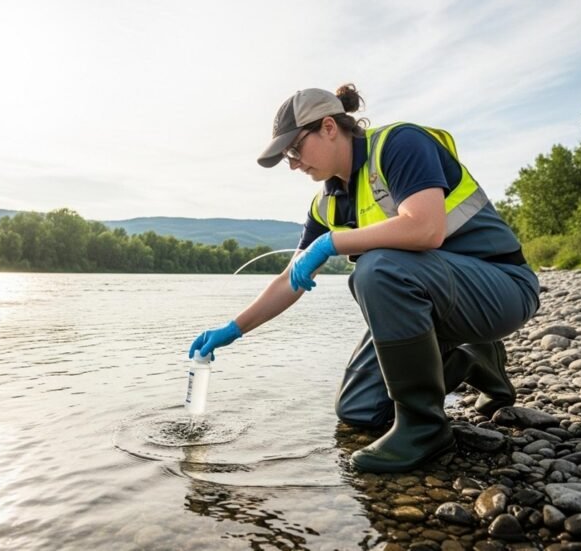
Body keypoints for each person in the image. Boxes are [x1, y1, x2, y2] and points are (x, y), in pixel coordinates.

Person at [188, 84, 540, 473]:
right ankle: (473, 359)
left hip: (502, 290)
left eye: (294, 150)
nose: (293, 163)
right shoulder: (326, 204)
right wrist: (233, 329)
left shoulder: (399, 144)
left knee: (376, 268)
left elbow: (426, 229)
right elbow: (291, 279)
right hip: (438, 304)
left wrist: (331, 244)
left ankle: (425, 429)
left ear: (327, 127)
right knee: (358, 411)